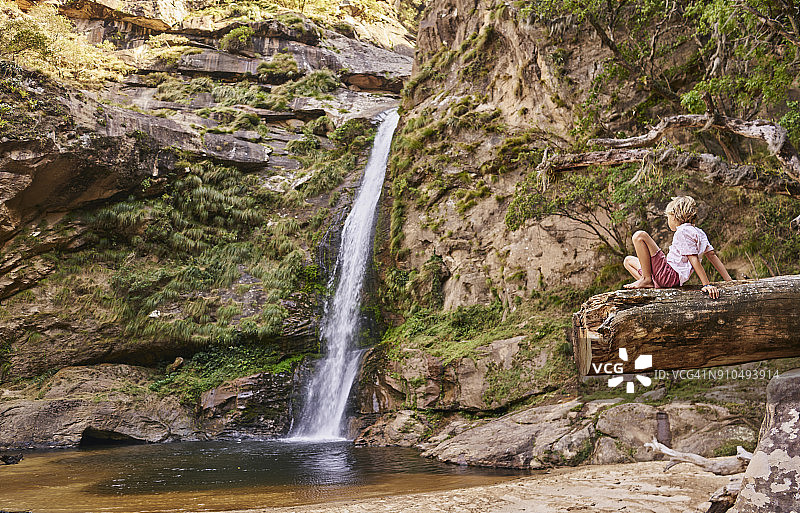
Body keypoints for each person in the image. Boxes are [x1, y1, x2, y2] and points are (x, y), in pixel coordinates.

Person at [623, 196, 733, 298]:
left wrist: (706, 284)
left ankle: (646, 279)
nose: (668, 221)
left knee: (639, 236)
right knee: (628, 261)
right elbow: (712, 255)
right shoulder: (700, 233)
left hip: (669, 275)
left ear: (675, 217)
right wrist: (729, 280)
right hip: (669, 278)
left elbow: (693, 258)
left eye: (668, 217)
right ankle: (651, 283)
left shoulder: (682, 232)